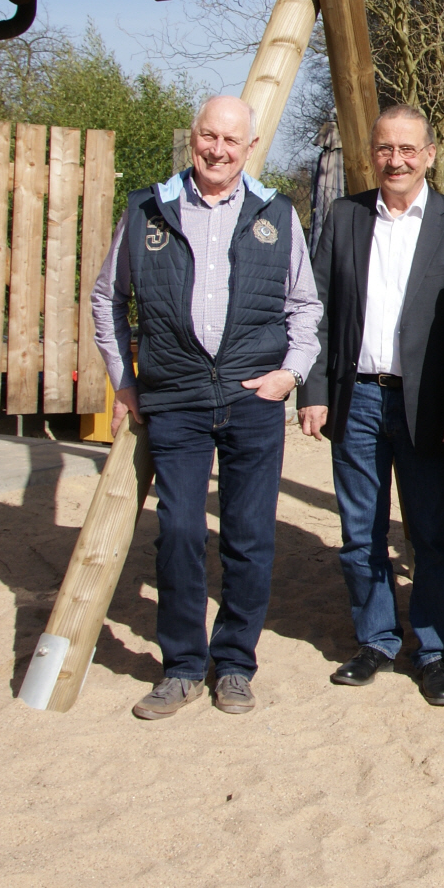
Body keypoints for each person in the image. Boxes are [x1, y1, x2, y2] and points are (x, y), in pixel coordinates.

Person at [90, 95, 322, 720]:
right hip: (177, 401)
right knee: (181, 533)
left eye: (231, 140)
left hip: (252, 401)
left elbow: (305, 306)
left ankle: (236, 664)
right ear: (193, 138)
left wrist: (290, 375)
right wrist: (125, 382)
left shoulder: (276, 213)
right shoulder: (146, 209)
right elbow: (106, 301)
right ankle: (184, 666)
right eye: (207, 136)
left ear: (250, 148)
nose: (217, 150)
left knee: (248, 539)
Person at [298, 105, 444, 707]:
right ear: (371, 154)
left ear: (430, 154)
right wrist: (315, 391)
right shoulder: (345, 215)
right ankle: (376, 638)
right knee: (360, 532)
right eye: (385, 149)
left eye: (409, 149)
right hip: (356, 398)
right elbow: (320, 308)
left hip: (428, 405)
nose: (396, 160)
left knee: (430, 533)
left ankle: (434, 650)